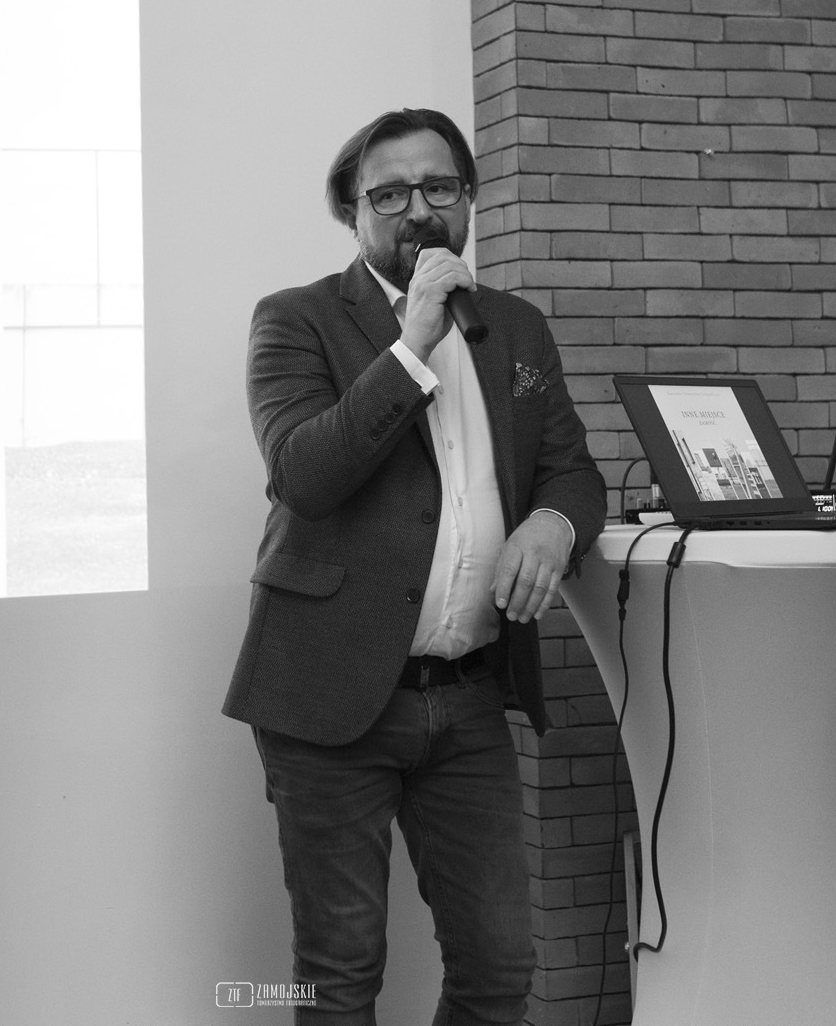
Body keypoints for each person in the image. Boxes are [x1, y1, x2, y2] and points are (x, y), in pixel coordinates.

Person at [224, 107, 607, 1025]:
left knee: (499, 967)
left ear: (468, 200)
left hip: (468, 697)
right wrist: (412, 343)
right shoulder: (295, 319)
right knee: (339, 973)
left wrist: (553, 523)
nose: (419, 211)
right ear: (352, 212)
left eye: (439, 187)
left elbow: (573, 470)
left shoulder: (516, 327)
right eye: (389, 195)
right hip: (329, 696)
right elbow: (306, 475)